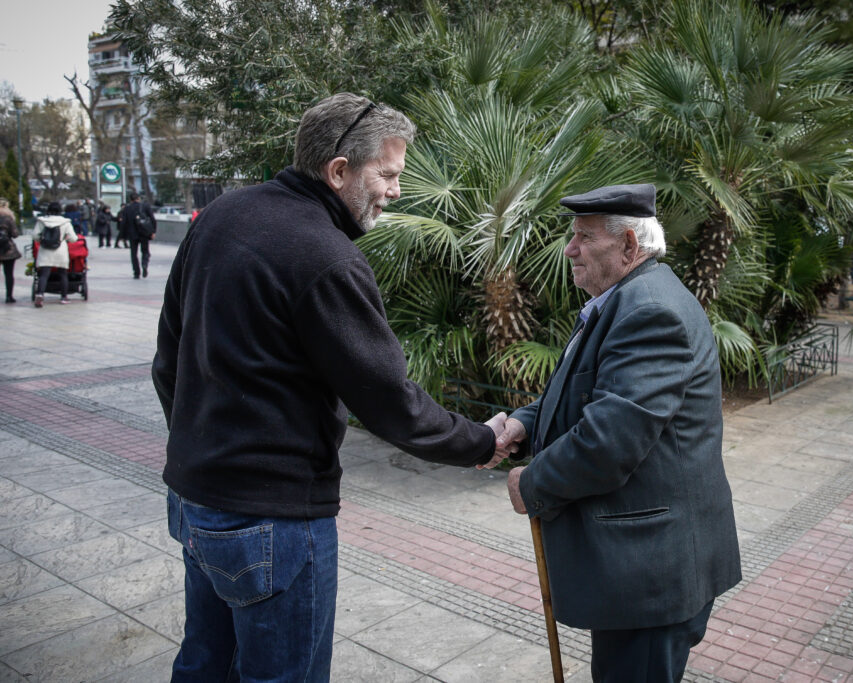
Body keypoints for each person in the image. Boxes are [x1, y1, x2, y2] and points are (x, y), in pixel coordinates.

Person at [151, 92, 514, 682]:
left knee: (203, 667)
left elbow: (168, 358)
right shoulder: (325, 256)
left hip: (195, 501)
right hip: (272, 520)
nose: (396, 191)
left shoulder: (221, 215)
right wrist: (479, 441)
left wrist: (201, 449)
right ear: (339, 170)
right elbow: (389, 400)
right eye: (389, 175)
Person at [493, 184, 742, 682]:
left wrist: (533, 483)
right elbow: (585, 395)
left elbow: (608, 442)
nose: (570, 249)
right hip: (642, 570)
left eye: (584, 237)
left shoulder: (650, 309)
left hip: (652, 577)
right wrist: (524, 420)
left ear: (629, 245)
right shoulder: (627, 298)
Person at [32, 201, 78, 306]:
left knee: (44, 274)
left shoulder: (41, 221)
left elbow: (35, 236)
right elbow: (73, 238)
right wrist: (65, 239)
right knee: (62, 274)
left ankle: (40, 294)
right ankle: (64, 297)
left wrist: (42, 240)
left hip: (45, 249)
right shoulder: (65, 222)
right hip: (60, 250)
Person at [121, 192, 156, 278]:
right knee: (145, 251)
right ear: (138, 198)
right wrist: (153, 231)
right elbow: (152, 219)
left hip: (132, 234)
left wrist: (123, 236)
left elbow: (123, 223)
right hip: (144, 233)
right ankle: (144, 264)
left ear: (130, 199)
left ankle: (136, 273)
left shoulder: (127, 208)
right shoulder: (145, 206)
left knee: (134, 253)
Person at [0, 200, 21, 303]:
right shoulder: (8, 219)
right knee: (9, 274)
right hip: (8, 249)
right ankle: (9, 296)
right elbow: (15, 234)